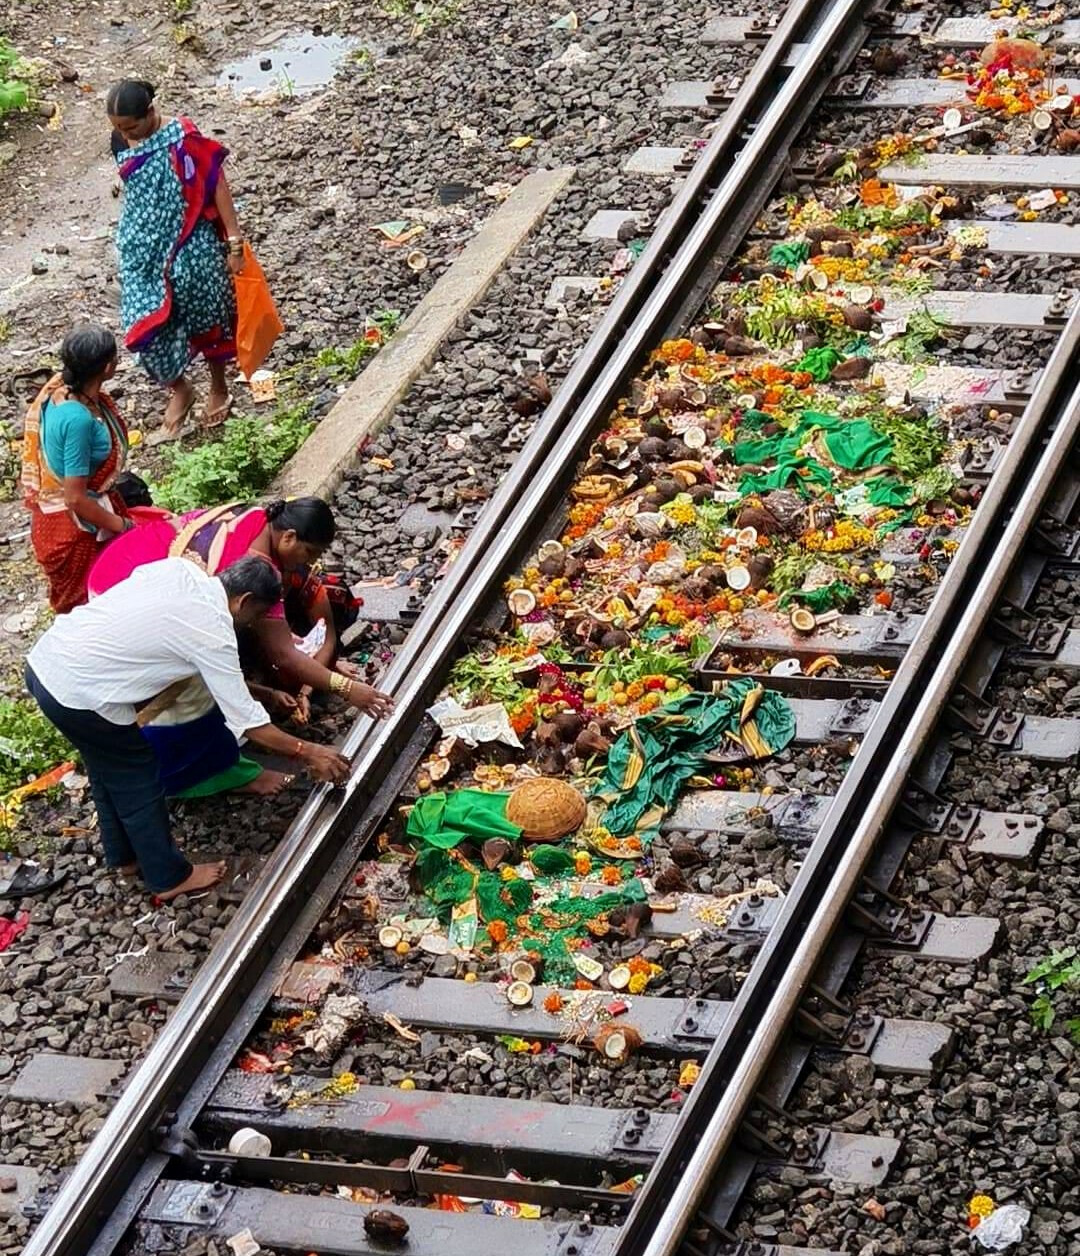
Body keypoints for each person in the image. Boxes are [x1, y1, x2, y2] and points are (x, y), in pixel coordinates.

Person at [26, 556, 365, 900]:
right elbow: (250, 724)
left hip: (48, 661)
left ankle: (125, 857)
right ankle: (169, 878)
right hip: (78, 694)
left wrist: (262, 692)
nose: (254, 624)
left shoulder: (180, 569)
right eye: (257, 615)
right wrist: (309, 752)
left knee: (106, 768)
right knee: (138, 779)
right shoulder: (213, 631)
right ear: (243, 601)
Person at [88, 496, 388, 723]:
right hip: (119, 587)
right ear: (289, 537)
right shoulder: (257, 565)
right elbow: (284, 655)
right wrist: (349, 690)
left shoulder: (260, 515)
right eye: (309, 553)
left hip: (125, 561)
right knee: (191, 680)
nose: (309, 563)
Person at [107, 79, 243, 438]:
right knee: (141, 326)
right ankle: (180, 387)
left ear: (151, 113)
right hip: (143, 248)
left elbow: (216, 183)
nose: (126, 134)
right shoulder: (120, 140)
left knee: (206, 308)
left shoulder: (183, 137)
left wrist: (234, 242)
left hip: (189, 237)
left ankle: (218, 386)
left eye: (131, 127)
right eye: (119, 129)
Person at [22, 325, 134, 614]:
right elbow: (75, 498)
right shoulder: (77, 421)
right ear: (108, 367)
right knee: (84, 607)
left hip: (81, 509)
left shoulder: (62, 388)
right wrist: (122, 526)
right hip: (73, 528)